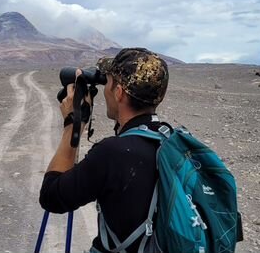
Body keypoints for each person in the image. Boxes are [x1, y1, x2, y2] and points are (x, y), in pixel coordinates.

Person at [39, 47, 169, 253]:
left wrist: (72, 126)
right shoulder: (171, 139)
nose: (105, 89)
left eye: (107, 82)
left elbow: (51, 197)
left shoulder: (113, 153)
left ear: (118, 93)